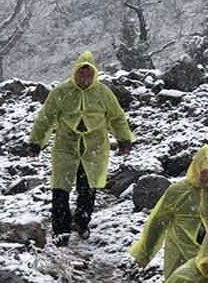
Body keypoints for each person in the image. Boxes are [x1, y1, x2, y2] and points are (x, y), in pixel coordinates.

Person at [26, 51, 135, 246]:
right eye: (81, 74)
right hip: (65, 147)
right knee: (60, 189)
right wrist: (35, 143)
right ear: (74, 73)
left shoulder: (103, 93)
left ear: (94, 75)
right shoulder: (61, 92)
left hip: (94, 148)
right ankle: (61, 230)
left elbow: (117, 117)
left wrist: (124, 140)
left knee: (87, 188)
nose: (84, 79)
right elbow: (46, 118)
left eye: (88, 75)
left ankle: (83, 222)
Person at [130, 144, 208, 279]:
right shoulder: (177, 191)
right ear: (195, 169)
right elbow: (158, 222)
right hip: (180, 255)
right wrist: (145, 253)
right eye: (204, 172)